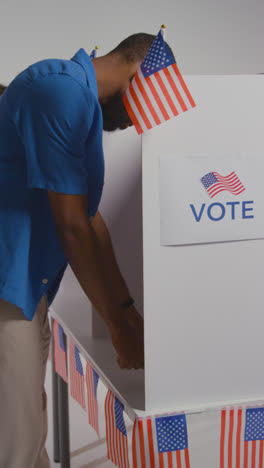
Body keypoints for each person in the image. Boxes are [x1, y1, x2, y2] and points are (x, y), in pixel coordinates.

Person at [0, 33, 173, 468]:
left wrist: (126, 308)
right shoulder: (60, 91)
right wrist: (117, 326)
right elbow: (72, 227)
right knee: (16, 443)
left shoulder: (76, 101)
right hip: (7, 282)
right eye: (144, 104)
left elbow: (90, 218)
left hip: (27, 284)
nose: (137, 121)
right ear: (138, 73)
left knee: (28, 424)